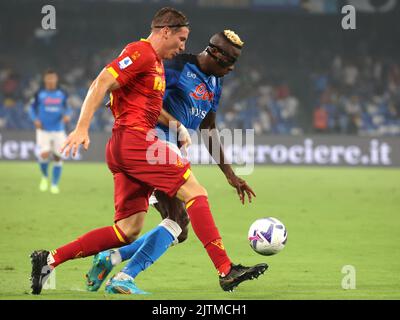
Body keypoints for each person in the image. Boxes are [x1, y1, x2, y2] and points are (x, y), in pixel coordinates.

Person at [86, 30, 266, 295]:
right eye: (229, 63)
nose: (231, 70)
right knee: (179, 218)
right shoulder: (175, 67)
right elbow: (136, 85)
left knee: (178, 227)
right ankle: (124, 276)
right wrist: (120, 98)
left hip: (174, 150)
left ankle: (112, 259)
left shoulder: (215, 82)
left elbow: (208, 128)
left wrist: (230, 174)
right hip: (152, 145)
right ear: (215, 53)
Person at [28, 70, 72, 194]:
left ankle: (54, 184)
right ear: (45, 79)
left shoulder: (62, 93)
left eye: (53, 78)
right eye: (49, 78)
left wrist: (67, 115)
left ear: (56, 79)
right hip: (43, 130)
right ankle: (45, 177)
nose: (51, 81)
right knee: (44, 154)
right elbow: (31, 108)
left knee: (58, 157)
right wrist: (35, 119)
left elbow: (68, 108)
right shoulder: (39, 93)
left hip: (58, 130)